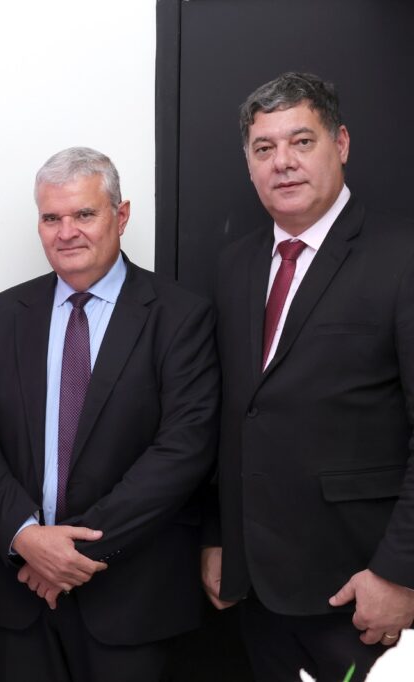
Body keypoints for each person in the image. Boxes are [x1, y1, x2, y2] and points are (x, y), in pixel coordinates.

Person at [0, 147, 220, 681]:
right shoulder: (0, 315)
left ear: (120, 216)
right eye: (51, 217)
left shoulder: (180, 315)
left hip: (131, 599)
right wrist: (26, 537)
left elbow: (183, 448)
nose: (66, 231)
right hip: (18, 598)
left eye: (84, 214)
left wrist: (69, 553)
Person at [202, 71, 414, 682]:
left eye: (302, 142)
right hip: (259, 596)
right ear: (248, 164)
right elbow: (234, 415)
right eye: (264, 149)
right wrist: (219, 538)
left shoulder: (402, 258)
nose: (283, 163)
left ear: (341, 144)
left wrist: (400, 573)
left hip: (362, 591)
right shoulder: (235, 264)